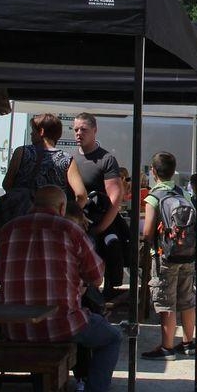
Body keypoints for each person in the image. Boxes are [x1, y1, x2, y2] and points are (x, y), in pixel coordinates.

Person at [0, 185, 120, 392]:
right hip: (62, 323)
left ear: (33, 203)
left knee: (41, 338)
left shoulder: (9, 229)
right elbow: (96, 276)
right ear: (62, 207)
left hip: (15, 327)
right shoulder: (70, 229)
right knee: (111, 337)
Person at [140, 152, 197, 359]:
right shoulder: (184, 194)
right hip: (188, 254)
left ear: (153, 172)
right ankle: (189, 343)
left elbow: (147, 232)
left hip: (165, 256)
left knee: (166, 301)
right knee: (187, 299)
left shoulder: (154, 197)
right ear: (174, 171)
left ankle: (166, 347)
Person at [71, 113, 127, 296]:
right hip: (75, 223)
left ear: (95, 131)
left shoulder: (106, 159)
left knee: (111, 244)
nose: (79, 133)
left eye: (83, 129)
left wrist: (102, 227)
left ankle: (108, 289)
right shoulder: (70, 159)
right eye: (76, 129)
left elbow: (116, 196)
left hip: (100, 221)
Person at [1, 113, 88, 211]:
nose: (31, 134)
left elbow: (6, 184)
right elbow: (82, 196)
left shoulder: (21, 152)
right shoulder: (67, 159)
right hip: (51, 220)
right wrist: (66, 215)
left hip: (21, 216)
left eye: (33, 130)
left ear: (41, 132)